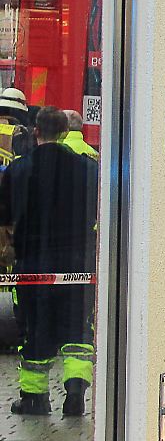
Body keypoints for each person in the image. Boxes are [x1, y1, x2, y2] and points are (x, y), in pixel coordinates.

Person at [1, 106, 99, 416]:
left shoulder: (18, 170)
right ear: (64, 132)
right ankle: (75, 390)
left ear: (37, 132)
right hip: (78, 263)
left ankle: (34, 397)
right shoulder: (88, 169)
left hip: (33, 264)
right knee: (79, 329)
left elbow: (4, 221)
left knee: (34, 328)